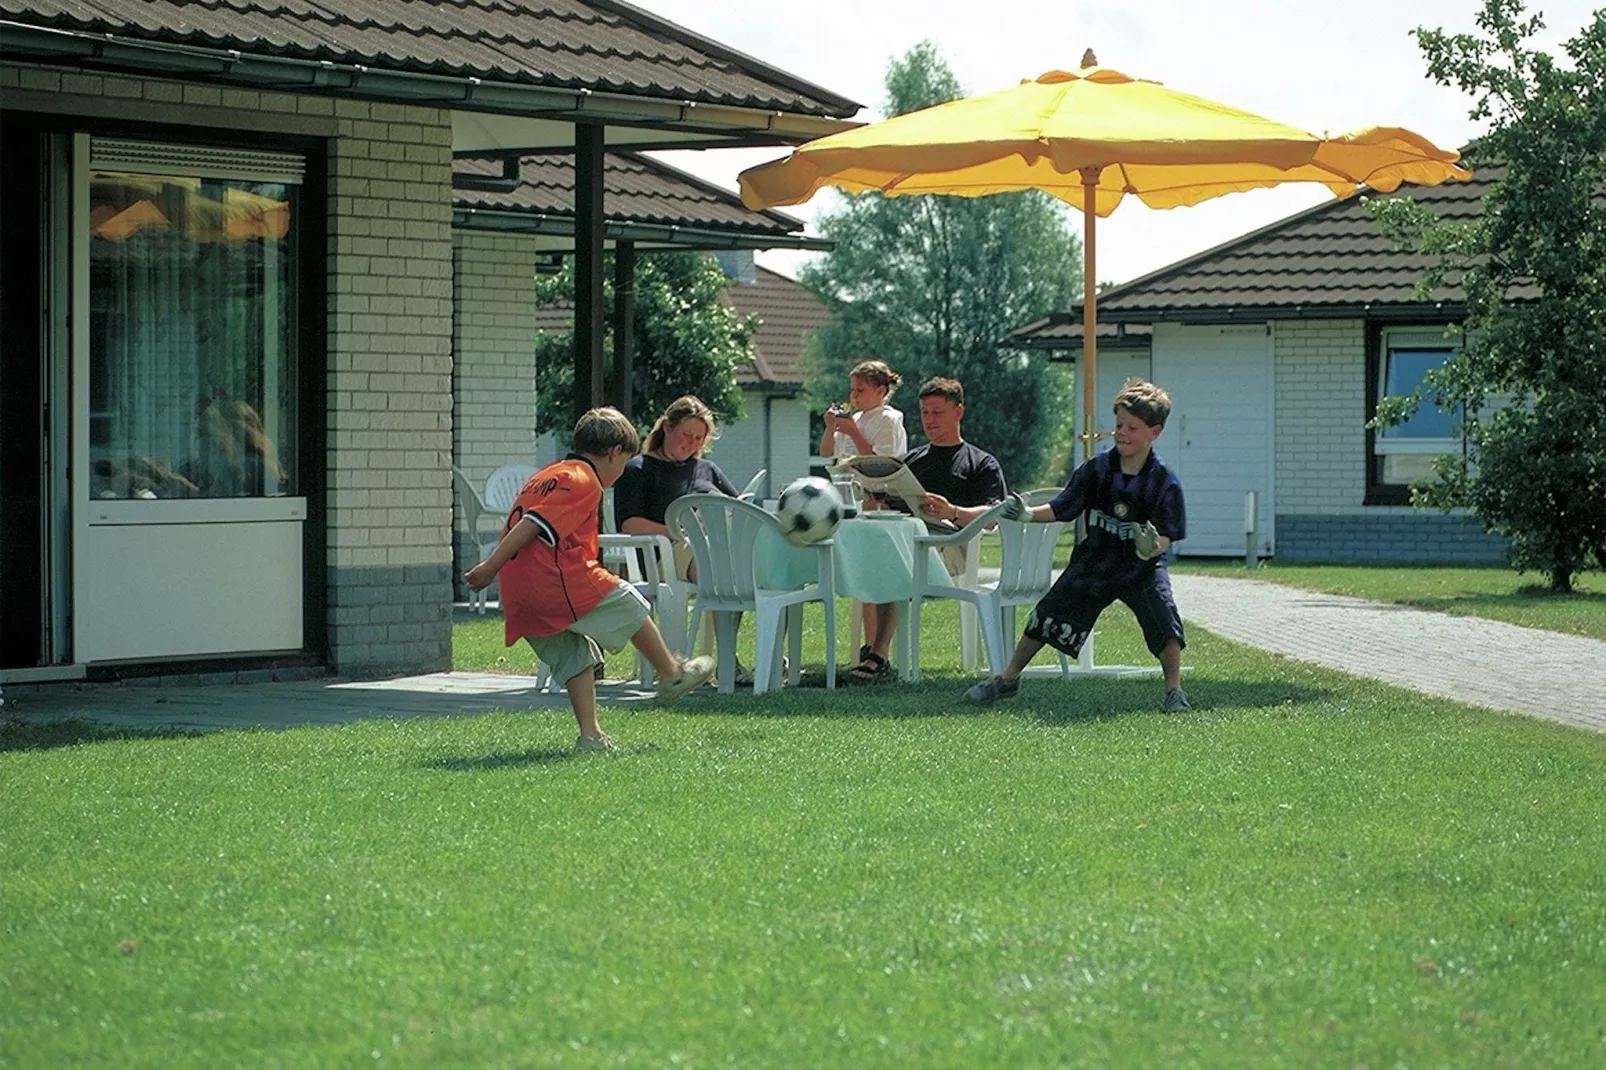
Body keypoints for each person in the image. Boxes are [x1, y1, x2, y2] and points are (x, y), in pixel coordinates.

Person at [464, 407, 716, 752]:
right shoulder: (583, 479)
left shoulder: (545, 475)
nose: (621, 472)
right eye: (623, 462)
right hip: (554, 581)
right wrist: (489, 565)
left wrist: (497, 570)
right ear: (614, 453)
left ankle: (591, 736)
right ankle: (672, 673)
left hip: (518, 590)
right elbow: (534, 523)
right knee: (630, 601)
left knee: (575, 655)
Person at [964, 378, 1191, 712]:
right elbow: (1062, 506)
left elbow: (1165, 536)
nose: (1121, 433)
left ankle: (1174, 691)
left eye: (1131, 427)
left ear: (1154, 432)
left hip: (1140, 568)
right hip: (1095, 561)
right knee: (1047, 614)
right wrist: (1026, 515)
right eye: (1118, 425)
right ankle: (1008, 679)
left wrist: (1152, 546)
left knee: (1165, 619)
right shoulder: (1096, 469)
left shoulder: (1164, 482)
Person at [848, 376, 1009, 684]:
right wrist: (876, 504)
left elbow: (993, 516)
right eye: (924, 413)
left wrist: (952, 511)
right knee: (879, 551)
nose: (929, 420)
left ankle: (877, 653)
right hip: (910, 543)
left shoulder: (980, 462)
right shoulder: (911, 461)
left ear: (958, 412)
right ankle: (874, 651)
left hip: (956, 548)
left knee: (896, 556)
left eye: (937, 412)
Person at [613, 395, 739, 583]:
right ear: (667, 428)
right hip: (665, 553)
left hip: (713, 545)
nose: (692, 443)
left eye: (699, 438)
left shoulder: (707, 469)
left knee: (747, 558)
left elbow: (739, 507)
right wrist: (683, 531)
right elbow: (630, 524)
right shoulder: (639, 469)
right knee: (721, 565)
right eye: (687, 435)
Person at [820, 359, 907, 461]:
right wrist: (830, 427)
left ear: (880, 391)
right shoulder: (855, 418)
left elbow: (880, 463)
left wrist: (853, 432)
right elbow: (826, 452)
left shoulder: (888, 419)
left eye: (860, 390)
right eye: (852, 389)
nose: (854, 395)